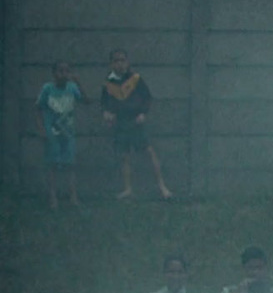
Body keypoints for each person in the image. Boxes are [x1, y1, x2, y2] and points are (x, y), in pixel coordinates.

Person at [100, 49, 173, 200]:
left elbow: (147, 98)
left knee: (149, 152)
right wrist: (107, 113)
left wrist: (143, 113)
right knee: (124, 156)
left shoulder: (135, 79)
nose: (119, 64)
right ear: (111, 64)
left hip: (135, 121)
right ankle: (128, 189)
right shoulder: (108, 83)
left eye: (122, 60)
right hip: (120, 123)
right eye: (116, 61)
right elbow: (105, 103)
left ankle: (162, 186)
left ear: (127, 62)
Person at [35, 60, 88, 209]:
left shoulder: (72, 88)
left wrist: (79, 83)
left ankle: (73, 196)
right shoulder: (47, 89)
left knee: (70, 165)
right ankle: (53, 197)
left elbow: (85, 100)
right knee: (52, 165)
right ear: (54, 74)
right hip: (52, 134)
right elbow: (38, 109)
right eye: (60, 71)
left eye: (67, 71)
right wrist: (41, 129)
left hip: (68, 134)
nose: (64, 74)